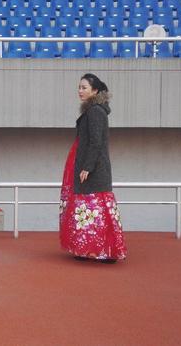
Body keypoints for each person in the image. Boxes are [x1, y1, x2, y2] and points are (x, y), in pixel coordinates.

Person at [59, 73, 127, 263]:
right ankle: (88, 249)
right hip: (88, 167)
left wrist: (87, 167)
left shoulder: (95, 111)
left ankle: (104, 251)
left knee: (94, 210)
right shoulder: (92, 110)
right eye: (79, 87)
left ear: (94, 90)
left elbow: (96, 143)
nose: (80, 91)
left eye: (84, 88)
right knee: (88, 211)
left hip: (94, 170)